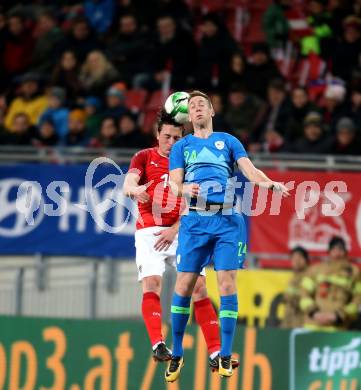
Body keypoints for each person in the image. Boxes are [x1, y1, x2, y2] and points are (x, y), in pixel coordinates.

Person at [165, 90, 289, 381]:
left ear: (211, 112)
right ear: (188, 115)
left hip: (227, 220)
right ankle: (178, 351)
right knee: (184, 285)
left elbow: (250, 170)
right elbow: (173, 184)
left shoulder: (229, 142)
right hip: (195, 221)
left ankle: (224, 354)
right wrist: (184, 190)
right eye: (192, 106)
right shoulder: (182, 147)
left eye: (201, 105)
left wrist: (269, 185)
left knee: (226, 282)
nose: (196, 109)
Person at [123, 110, 239, 370]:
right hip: (148, 231)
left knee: (198, 288)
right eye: (167, 136)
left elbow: (193, 203)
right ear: (157, 135)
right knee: (152, 282)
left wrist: (174, 230)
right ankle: (158, 344)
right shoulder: (143, 157)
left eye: (177, 137)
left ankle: (216, 352)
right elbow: (127, 184)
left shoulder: (189, 161)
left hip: (182, 231)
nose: (171, 142)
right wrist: (134, 190)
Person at [300, 236, 361, 330]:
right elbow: (303, 294)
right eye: (334, 249)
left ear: (345, 252)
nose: (337, 253)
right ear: (329, 251)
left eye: (341, 249)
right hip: (313, 326)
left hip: (338, 328)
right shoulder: (315, 270)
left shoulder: (354, 272)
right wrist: (314, 313)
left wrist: (339, 315)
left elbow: (358, 300)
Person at [281, 246, 309, 329]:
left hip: (301, 321)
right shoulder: (292, 277)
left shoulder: (309, 276)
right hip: (288, 321)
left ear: (305, 260)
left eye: (299, 258)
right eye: (293, 258)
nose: (296, 261)